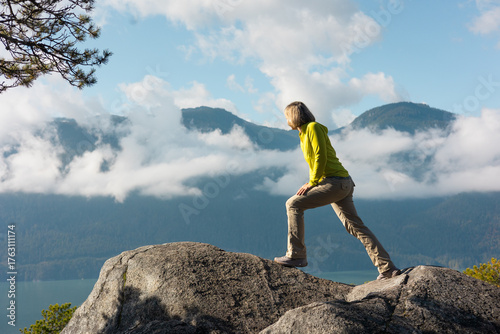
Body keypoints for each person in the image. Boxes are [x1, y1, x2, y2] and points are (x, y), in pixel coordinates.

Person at [274, 101, 401, 280]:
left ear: (294, 116)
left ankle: (296, 255)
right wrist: (315, 180)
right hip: (340, 183)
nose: (286, 120)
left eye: (287, 116)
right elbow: (315, 160)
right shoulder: (303, 134)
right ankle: (387, 268)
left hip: (335, 183)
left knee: (293, 204)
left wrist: (312, 182)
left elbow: (320, 156)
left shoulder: (313, 127)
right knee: (355, 227)